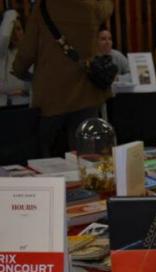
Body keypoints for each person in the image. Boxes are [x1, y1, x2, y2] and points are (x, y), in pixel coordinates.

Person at [12, 0, 114, 157]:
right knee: (87, 155)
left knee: (48, 156)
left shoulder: (43, 7)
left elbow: (27, 50)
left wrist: (19, 71)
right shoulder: (93, 7)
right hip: (86, 92)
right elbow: (108, 7)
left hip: (51, 95)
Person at [0, 10, 30, 107]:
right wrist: (11, 13)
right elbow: (4, 36)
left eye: (18, 29)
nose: (15, 35)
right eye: (11, 30)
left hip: (26, 106)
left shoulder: (30, 54)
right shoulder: (3, 54)